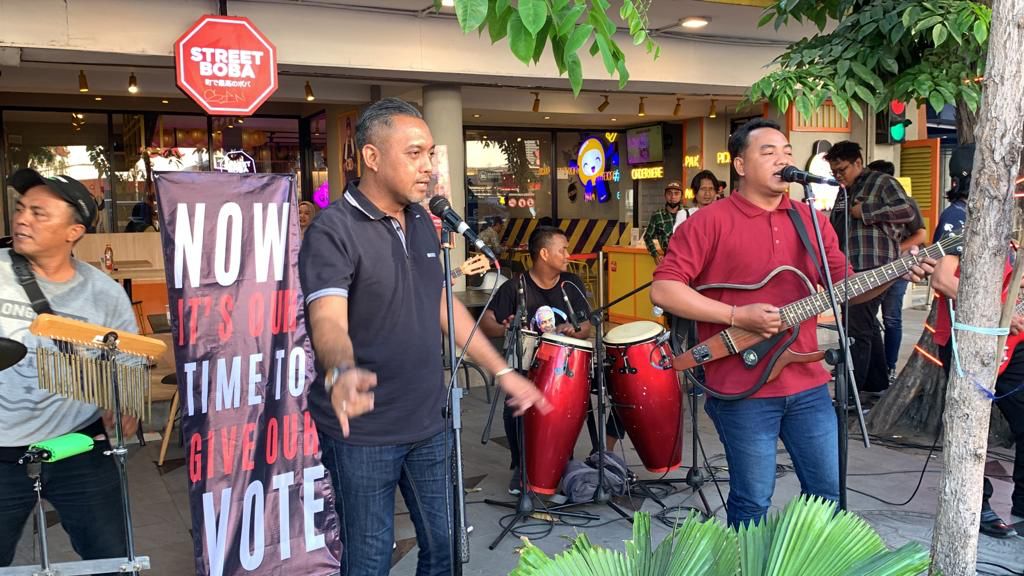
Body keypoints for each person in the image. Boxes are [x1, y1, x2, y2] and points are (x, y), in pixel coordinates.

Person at [298, 98, 549, 576]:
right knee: (369, 559)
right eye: (415, 154)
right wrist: (342, 370)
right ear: (371, 157)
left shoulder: (420, 221)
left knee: (446, 547)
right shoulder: (333, 230)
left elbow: (440, 304)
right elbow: (327, 320)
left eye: (431, 154)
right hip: (364, 431)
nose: (429, 167)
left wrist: (502, 371)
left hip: (429, 421)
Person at [650, 119, 934, 528]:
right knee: (752, 500)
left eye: (786, 151)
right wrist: (736, 315)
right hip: (741, 386)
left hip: (808, 383)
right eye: (768, 152)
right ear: (741, 165)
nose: (782, 158)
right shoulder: (709, 221)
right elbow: (664, 290)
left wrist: (895, 271)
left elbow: (847, 289)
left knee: (829, 496)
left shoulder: (812, 221)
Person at [1, 169, 139, 571]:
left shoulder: (104, 293)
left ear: (73, 231)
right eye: (21, 208)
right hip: (1, 453)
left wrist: (124, 404)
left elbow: (127, 359)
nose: (23, 218)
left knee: (112, 560)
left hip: (76, 446)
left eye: (40, 213)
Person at [930, 144, 1023, 538]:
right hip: (972, 338)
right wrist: (1001, 312)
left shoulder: (1012, 216)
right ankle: (977, 505)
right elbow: (943, 279)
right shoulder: (957, 216)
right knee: (972, 427)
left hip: (1014, 339)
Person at [479, 226, 597, 494]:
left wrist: (574, 328)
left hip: (565, 367)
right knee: (514, 404)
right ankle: (522, 465)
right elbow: (486, 323)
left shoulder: (571, 283)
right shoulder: (514, 287)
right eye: (562, 249)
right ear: (544, 253)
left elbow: (587, 325)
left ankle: (565, 458)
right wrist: (506, 329)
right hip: (526, 365)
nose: (568, 255)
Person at [826, 141, 916, 399]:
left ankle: (850, 395)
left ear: (857, 162)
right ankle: (875, 384)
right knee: (864, 324)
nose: (839, 175)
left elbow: (906, 210)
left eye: (842, 169)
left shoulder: (881, 182)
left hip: (875, 265)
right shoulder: (843, 191)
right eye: (835, 172)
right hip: (849, 266)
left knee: (856, 327)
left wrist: (865, 211)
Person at [865, 160, 928, 382]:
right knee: (867, 321)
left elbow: (920, 235)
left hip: (897, 269)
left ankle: (889, 367)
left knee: (891, 318)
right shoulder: (867, 206)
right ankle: (872, 371)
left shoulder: (905, 204)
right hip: (871, 270)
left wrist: (893, 254)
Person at [643, 181, 684, 263]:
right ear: (665, 196)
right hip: (668, 259)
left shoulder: (688, 214)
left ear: (681, 196)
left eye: (676, 193)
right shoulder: (657, 215)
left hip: (687, 259)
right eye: (669, 193)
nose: (673, 197)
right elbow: (647, 237)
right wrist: (655, 254)